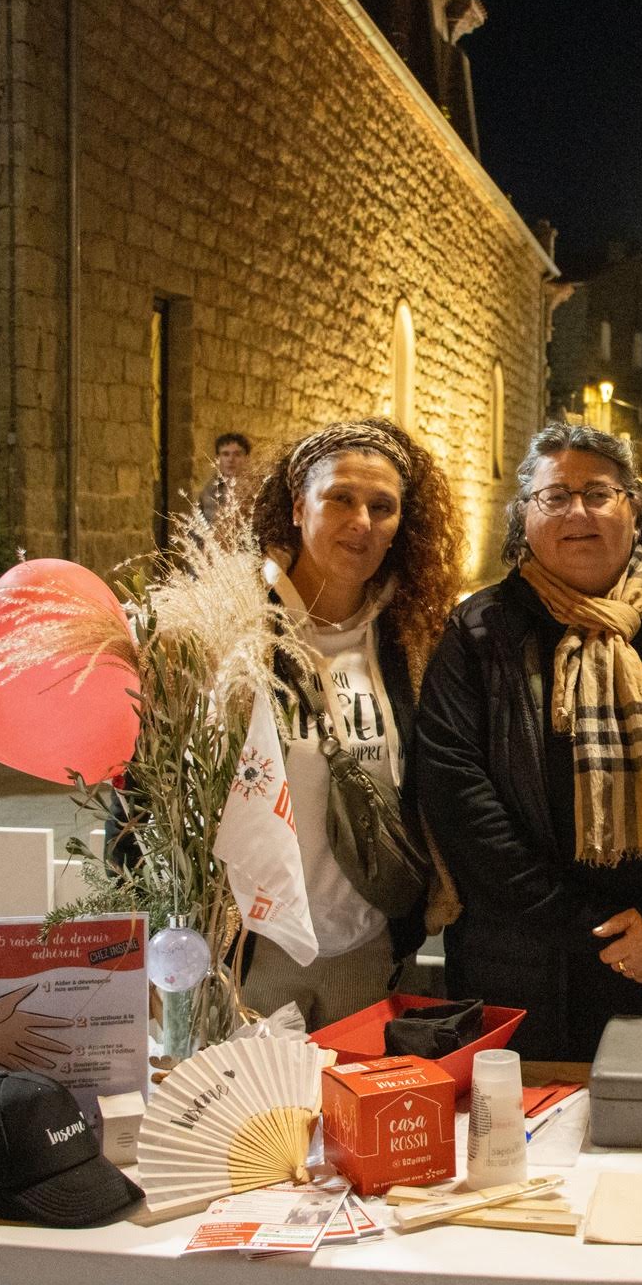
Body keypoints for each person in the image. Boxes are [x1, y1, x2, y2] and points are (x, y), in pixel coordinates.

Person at [414, 424, 642, 1061]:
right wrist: (582, 926)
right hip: (521, 967)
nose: (577, 511)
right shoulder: (478, 632)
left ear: (635, 507)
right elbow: (453, 789)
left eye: (598, 493)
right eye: (555, 496)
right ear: (524, 515)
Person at [242, 418, 464, 1029]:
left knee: (353, 1122)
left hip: (369, 954)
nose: (360, 522)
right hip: (250, 958)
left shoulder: (415, 643)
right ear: (295, 507)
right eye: (339, 497)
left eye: (382, 506)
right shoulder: (229, 636)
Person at [198, 432, 252, 530]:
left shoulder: (256, 491)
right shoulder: (208, 492)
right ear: (217, 458)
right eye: (225, 454)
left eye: (237, 454)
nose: (231, 459)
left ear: (247, 458)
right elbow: (196, 531)